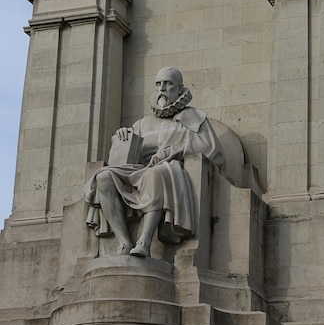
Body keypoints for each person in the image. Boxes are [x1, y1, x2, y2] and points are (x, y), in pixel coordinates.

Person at [84, 67, 224, 257]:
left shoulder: (195, 118)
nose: (162, 89)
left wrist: (173, 151)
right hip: (138, 170)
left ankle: (144, 242)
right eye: (158, 84)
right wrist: (121, 136)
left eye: (168, 84)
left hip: (168, 169)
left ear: (180, 88)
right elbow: (124, 155)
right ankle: (124, 242)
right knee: (104, 177)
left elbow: (212, 150)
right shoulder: (143, 123)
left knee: (156, 173)